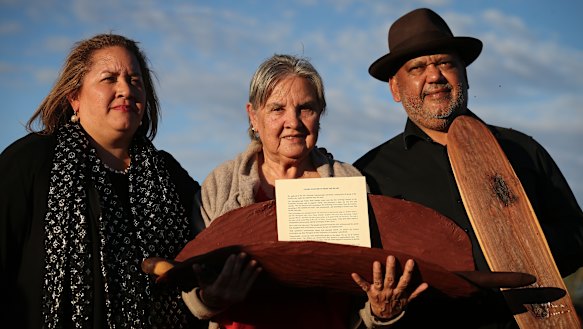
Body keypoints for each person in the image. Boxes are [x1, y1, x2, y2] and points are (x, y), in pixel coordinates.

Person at [354, 7, 583, 328]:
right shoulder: (369, 173)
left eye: (445, 63)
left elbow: (578, 235)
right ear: (395, 88)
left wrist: (524, 250)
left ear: (464, 73)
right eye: (418, 68)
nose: (434, 76)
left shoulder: (523, 150)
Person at [181, 54, 428, 329]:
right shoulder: (220, 185)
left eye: (305, 108)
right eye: (277, 109)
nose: (293, 122)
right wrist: (210, 299)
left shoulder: (348, 181)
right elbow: (189, 280)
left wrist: (380, 311)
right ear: (253, 116)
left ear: (320, 113)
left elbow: (368, 284)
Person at [0, 33, 206, 328]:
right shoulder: (31, 161)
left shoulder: (169, 175)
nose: (125, 89)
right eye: (109, 79)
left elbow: (211, 241)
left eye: (135, 80)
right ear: (75, 97)